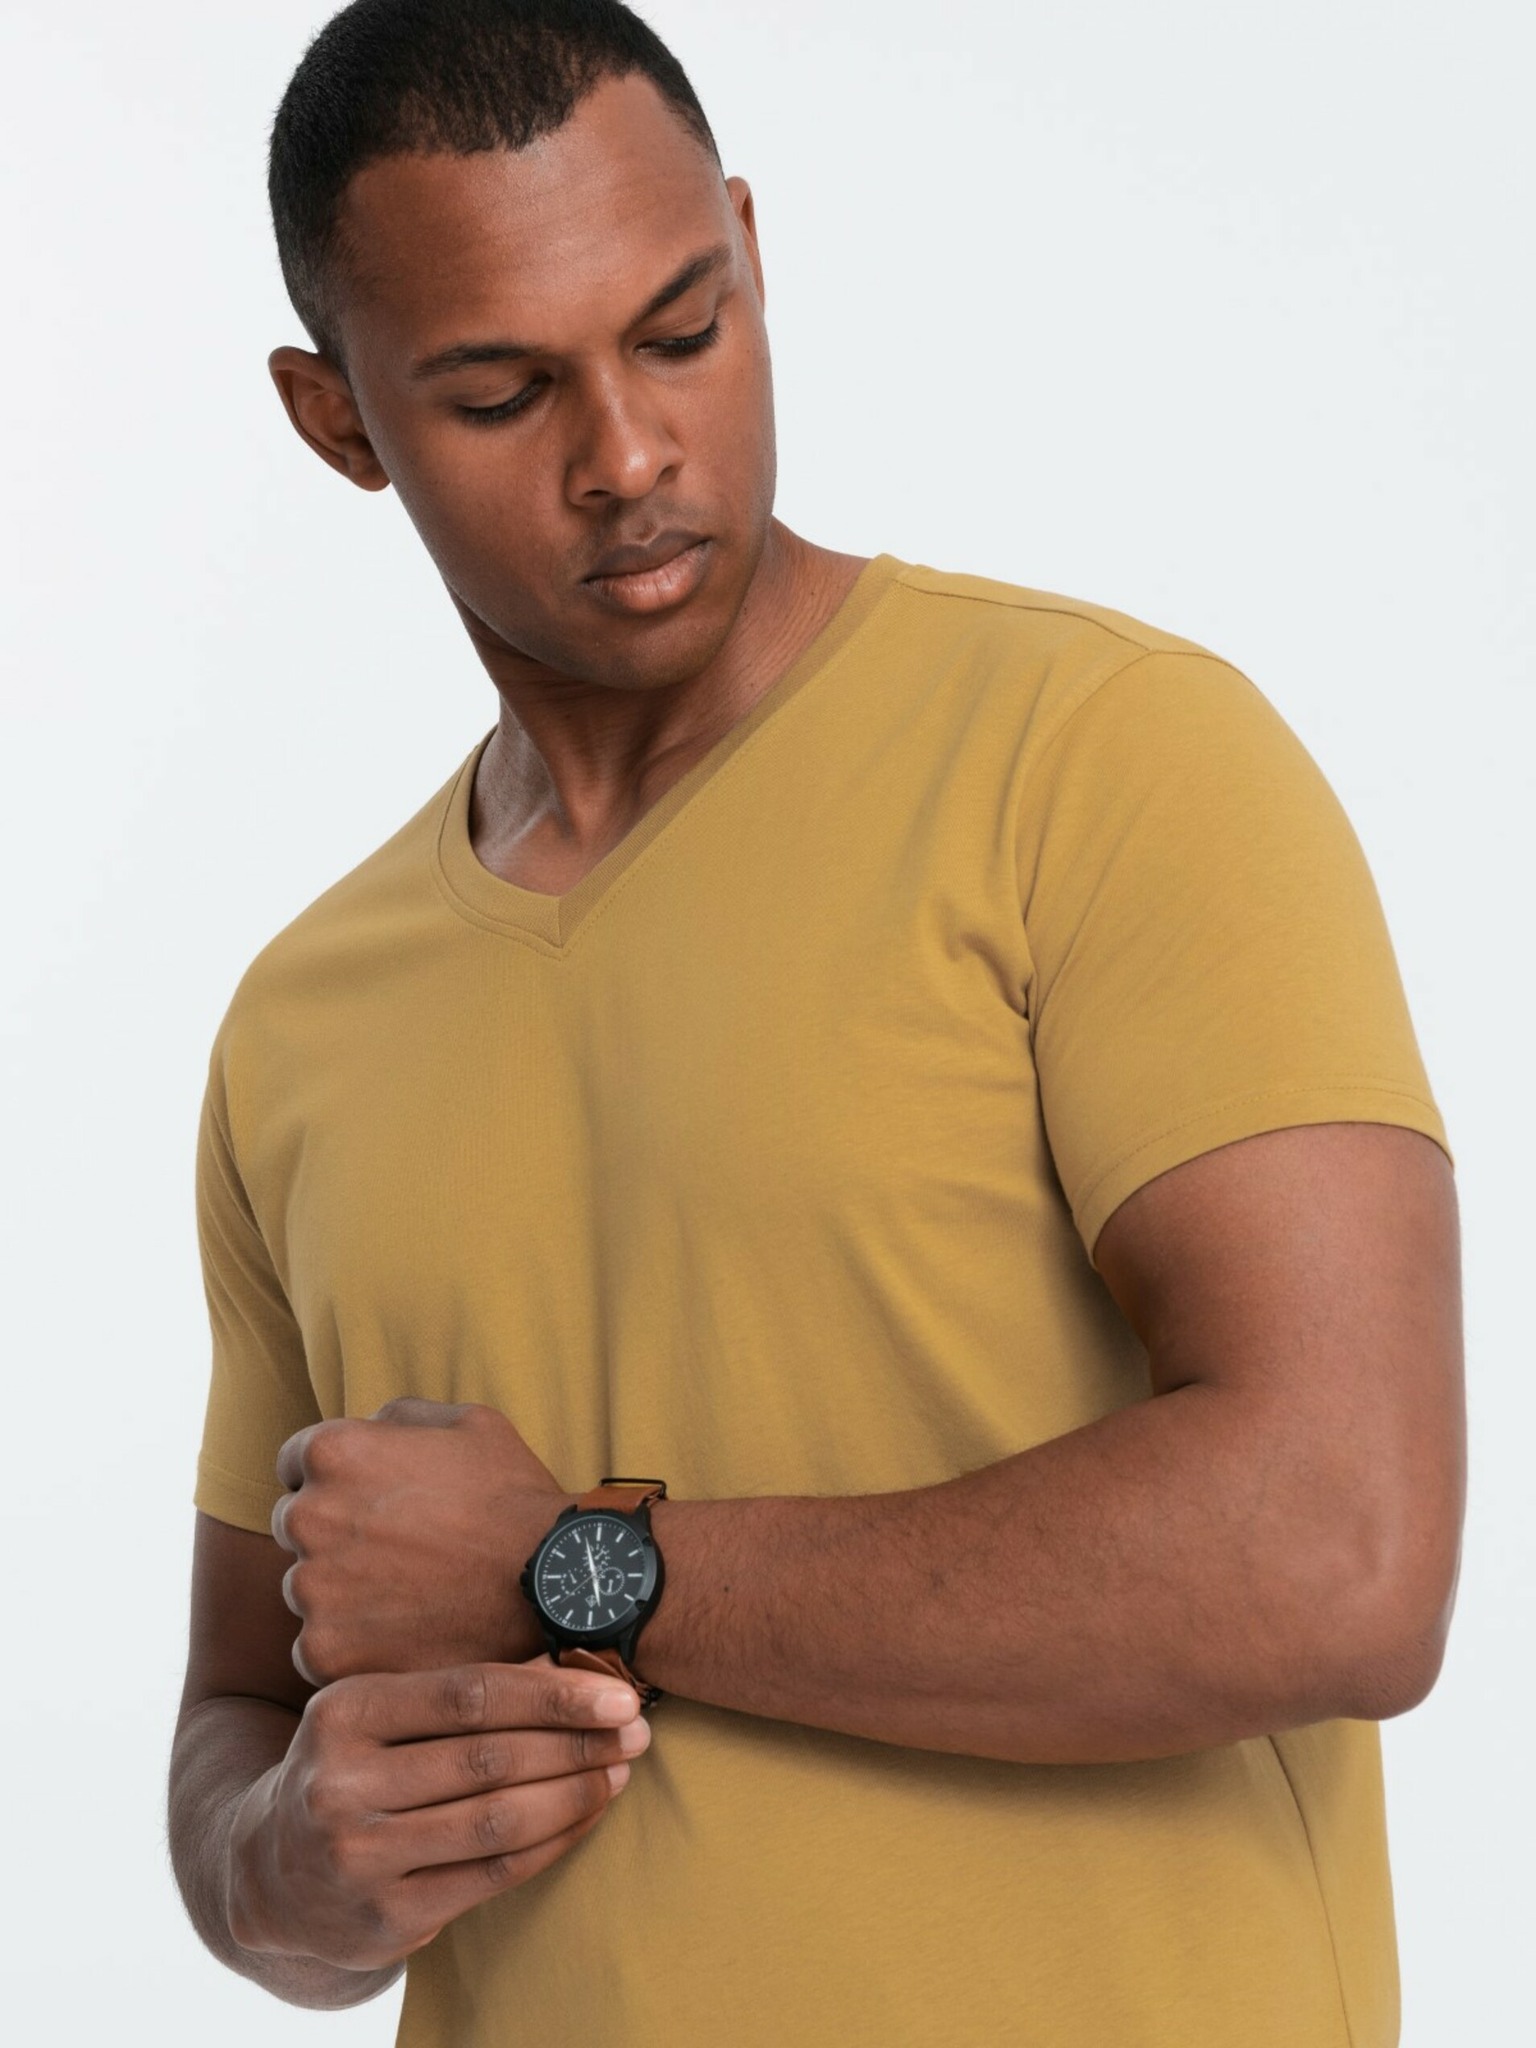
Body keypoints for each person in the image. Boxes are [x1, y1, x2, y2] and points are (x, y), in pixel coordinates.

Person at [166, 3, 1465, 2044]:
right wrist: (284, 1867)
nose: (628, 455)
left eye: (682, 331)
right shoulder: (301, 1023)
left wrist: (573, 1567)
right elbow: (244, 1713)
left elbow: (1345, 1551)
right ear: (339, 422)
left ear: (752, 255)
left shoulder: (1104, 762)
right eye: (504, 392)